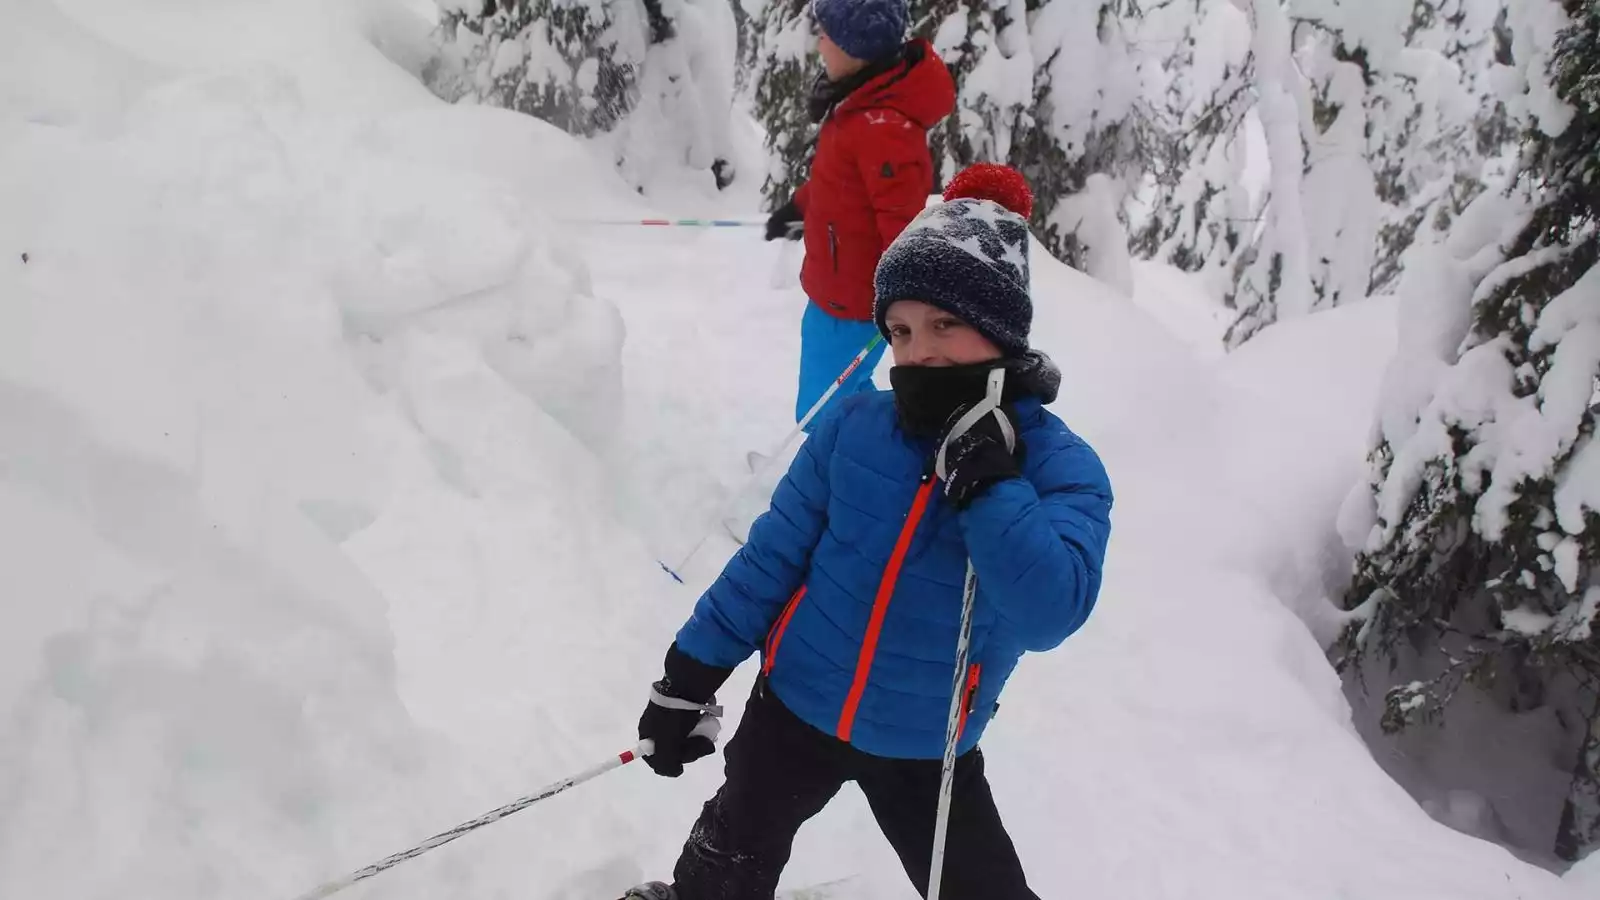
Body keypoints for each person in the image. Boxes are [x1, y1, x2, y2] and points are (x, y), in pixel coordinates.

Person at [622, 165, 1114, 900]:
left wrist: (993, 487)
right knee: (728, 857)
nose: (921, 352)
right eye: (903, 330)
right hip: (794, 705)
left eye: (946, 324)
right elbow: (770, 560)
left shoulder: (1057, 466)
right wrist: (687, 677)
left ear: (1002, 328)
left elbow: (1050, 611)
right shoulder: (856, 428)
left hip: (928, 744)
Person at [764, 0, 956, 432]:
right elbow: (840, 186)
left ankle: (846, 478)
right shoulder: (858, 106)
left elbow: (902, 227)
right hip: (834, 294)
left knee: (821, 410)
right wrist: (802, 207)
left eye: (827, 35)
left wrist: (903, 299)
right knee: (837, 396)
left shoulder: (883, 127)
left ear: (857, 48)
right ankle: (859, 459)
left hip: (853, 306)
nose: (819, 43)